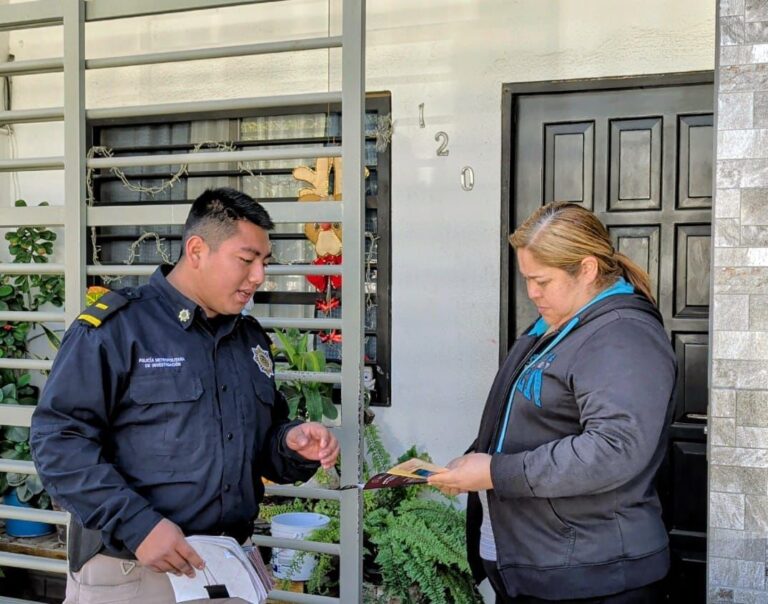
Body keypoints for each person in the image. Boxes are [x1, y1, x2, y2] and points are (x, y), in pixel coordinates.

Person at [30, 187, 339, 604]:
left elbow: (258, 448)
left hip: (224, 568)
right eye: (246, 260)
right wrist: (138, 525)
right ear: (197, 250)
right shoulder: (117, 329)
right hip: (132, 569)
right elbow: (58, 442)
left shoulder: (247, 338)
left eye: (264, 262)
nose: (259, 277)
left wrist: (289, 444)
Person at [429, 202, 676, 603]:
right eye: (527, 278)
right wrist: (474, 462)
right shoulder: (557, 323)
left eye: (542, 280)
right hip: (542, 567)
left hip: (594, 576)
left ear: (588, 269)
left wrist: (496, 471)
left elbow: (614, 449)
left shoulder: (624, 336)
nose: (531, 292)